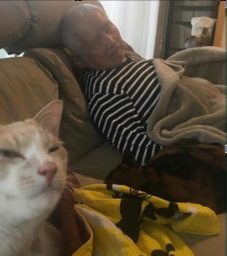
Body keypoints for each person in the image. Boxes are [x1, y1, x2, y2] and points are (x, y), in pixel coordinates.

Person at [61, 4, 163, 165]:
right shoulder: (105, 93)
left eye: (108, 29)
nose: (111, 41)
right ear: (78, 60)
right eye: (96, 43)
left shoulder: (128, 57)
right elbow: (146, 155)